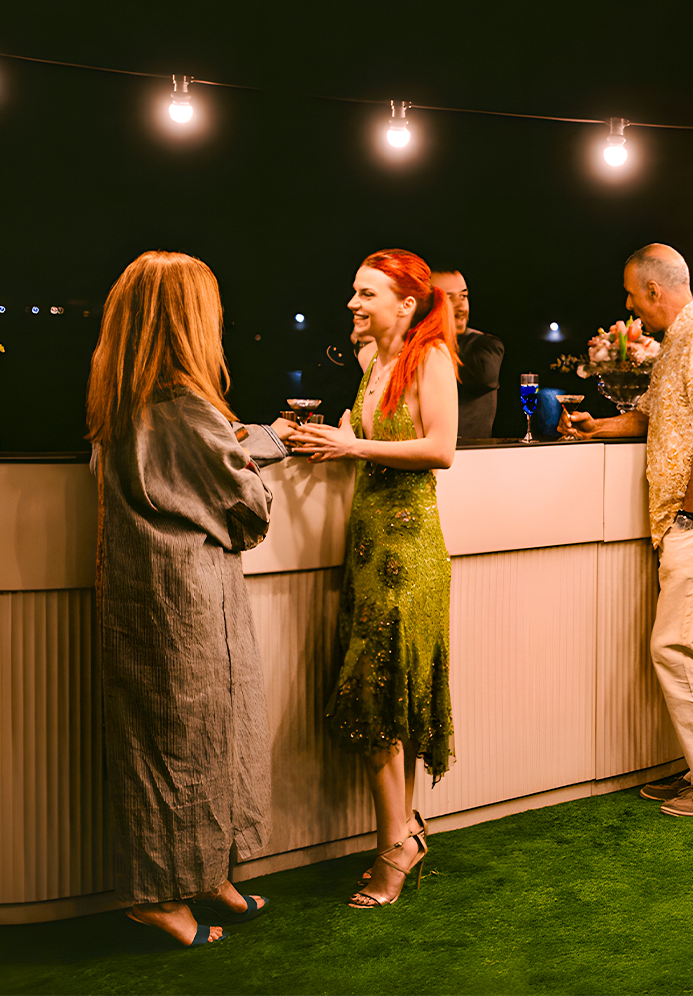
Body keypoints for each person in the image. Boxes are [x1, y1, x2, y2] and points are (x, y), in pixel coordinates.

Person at [86, 251, 291, 946]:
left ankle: (204, 875)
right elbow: (249, 507)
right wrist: (263, 451)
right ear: (189, 321)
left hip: (145, 591)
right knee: (185, 743)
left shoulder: (126, 399)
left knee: (178, 740)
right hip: (186, 596)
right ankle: (157, 896)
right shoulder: (184, 402)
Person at [562, 244, 693, 817]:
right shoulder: (676, 345)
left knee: (674, 645)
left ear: (653, 291)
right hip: (692, 524)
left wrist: (690, 517)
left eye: (630, 293)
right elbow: (649, 417)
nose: (628, 304)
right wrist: (599, 426)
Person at [292, 248, 459, 906]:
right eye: (354, 293)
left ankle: (398, 846)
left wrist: (352, 445)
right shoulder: (370, 362)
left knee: (377, 704)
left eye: (366, 295)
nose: (353, 305)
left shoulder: (432, 358)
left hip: (410, 554)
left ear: (406, 304)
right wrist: (322, 439)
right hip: (365, 548)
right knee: (382, 703)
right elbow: (362, 434)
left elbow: (441, 449)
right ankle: (403, 834)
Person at [430, 267, 505, 438]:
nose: (461, 306)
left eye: (463, 296)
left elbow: (483, 377)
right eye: (448, 297)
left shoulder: (486, 345)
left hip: (471, 456)